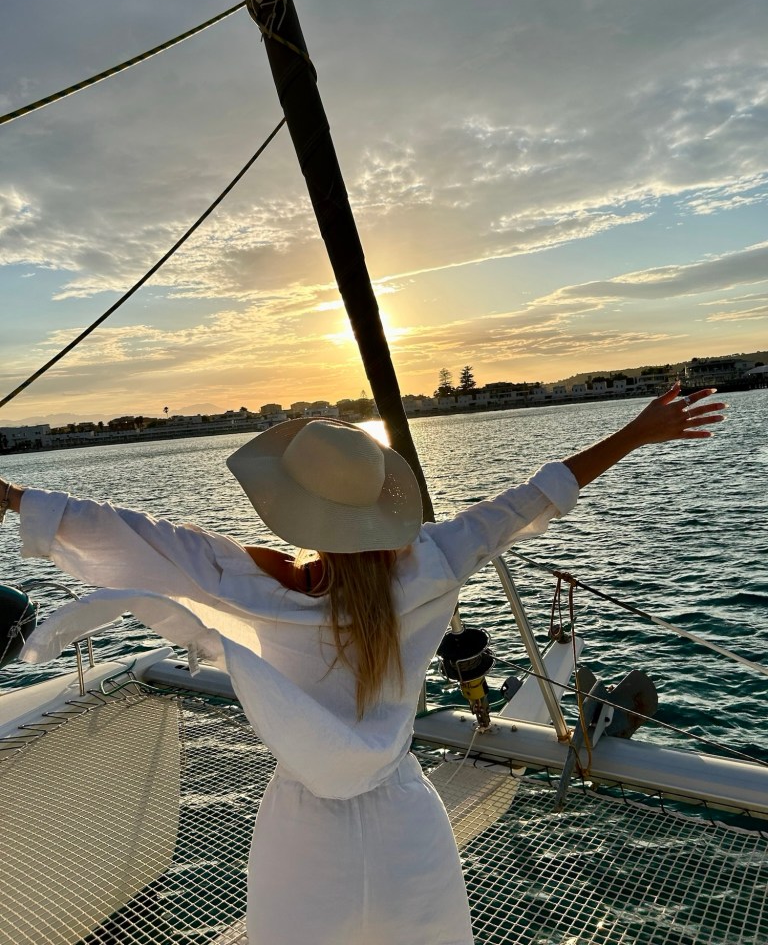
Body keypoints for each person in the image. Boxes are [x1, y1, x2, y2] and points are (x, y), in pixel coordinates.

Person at [0, 383, 725, 945]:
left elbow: (132, 534)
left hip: (304, 834)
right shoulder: (433, 564)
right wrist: (635, 432)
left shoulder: (251, 583)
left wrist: (10, 497)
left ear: (291, 504)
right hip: (408, 821)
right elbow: (533, 499)